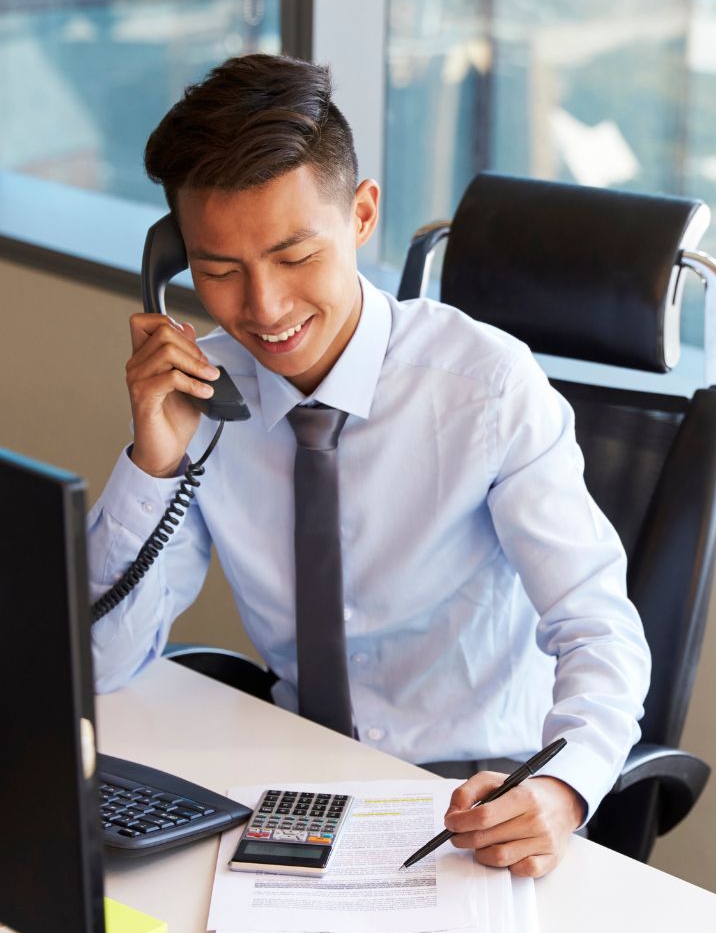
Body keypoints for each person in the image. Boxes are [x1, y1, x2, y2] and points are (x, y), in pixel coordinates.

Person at [88, 53, 650, 878]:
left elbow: (598, 625)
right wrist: (153, 461)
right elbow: (98, 663)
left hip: (468, 804)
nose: (264, 308)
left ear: (361, 214)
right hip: (289, 785)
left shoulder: (487, 389)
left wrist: (563, 787)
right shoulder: (201, 394)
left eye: (292, 255)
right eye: (219, 272)